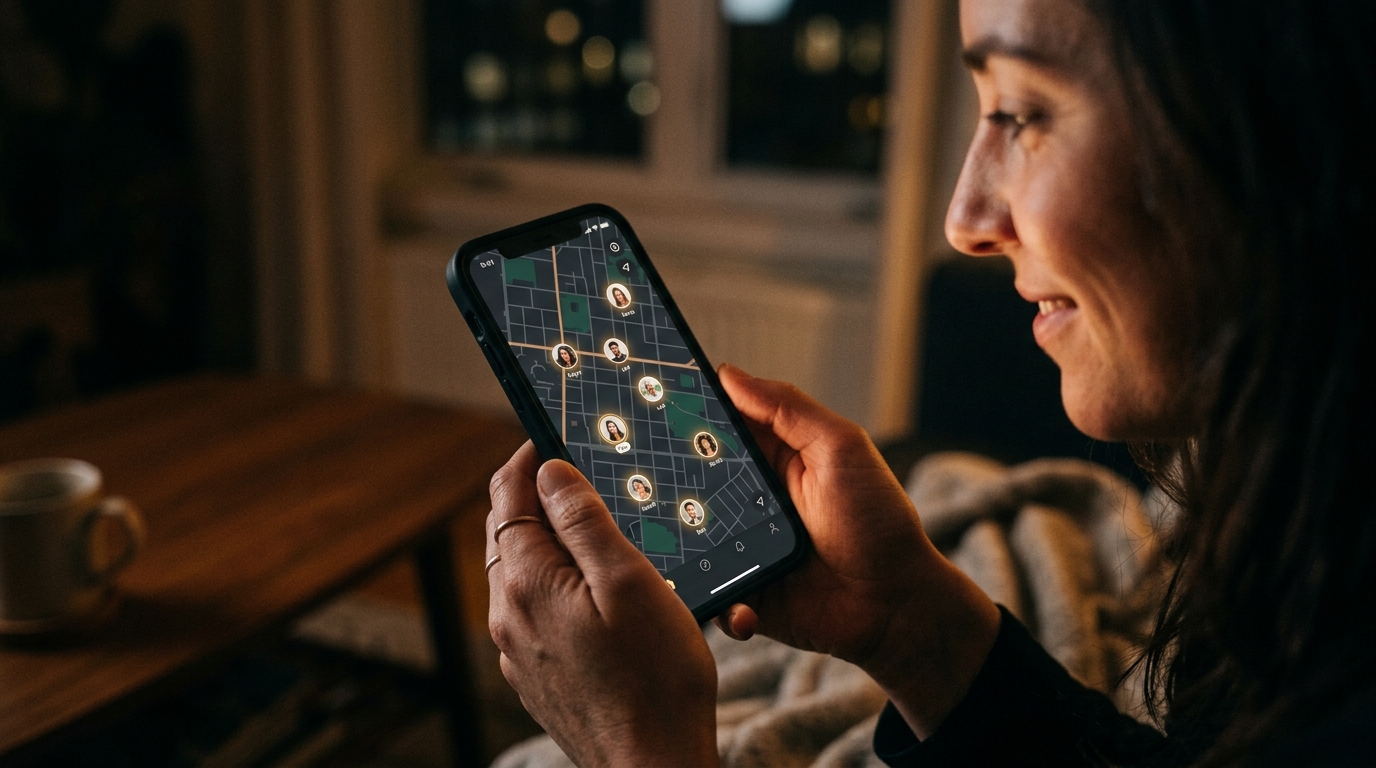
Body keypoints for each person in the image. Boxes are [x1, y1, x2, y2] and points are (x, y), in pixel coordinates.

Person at [480, 0, 1375, 765]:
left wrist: (642, 750)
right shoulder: (1302, 532)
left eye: (1022, 114)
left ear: (1291, 119)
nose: (965, 221)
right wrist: (911, 620)